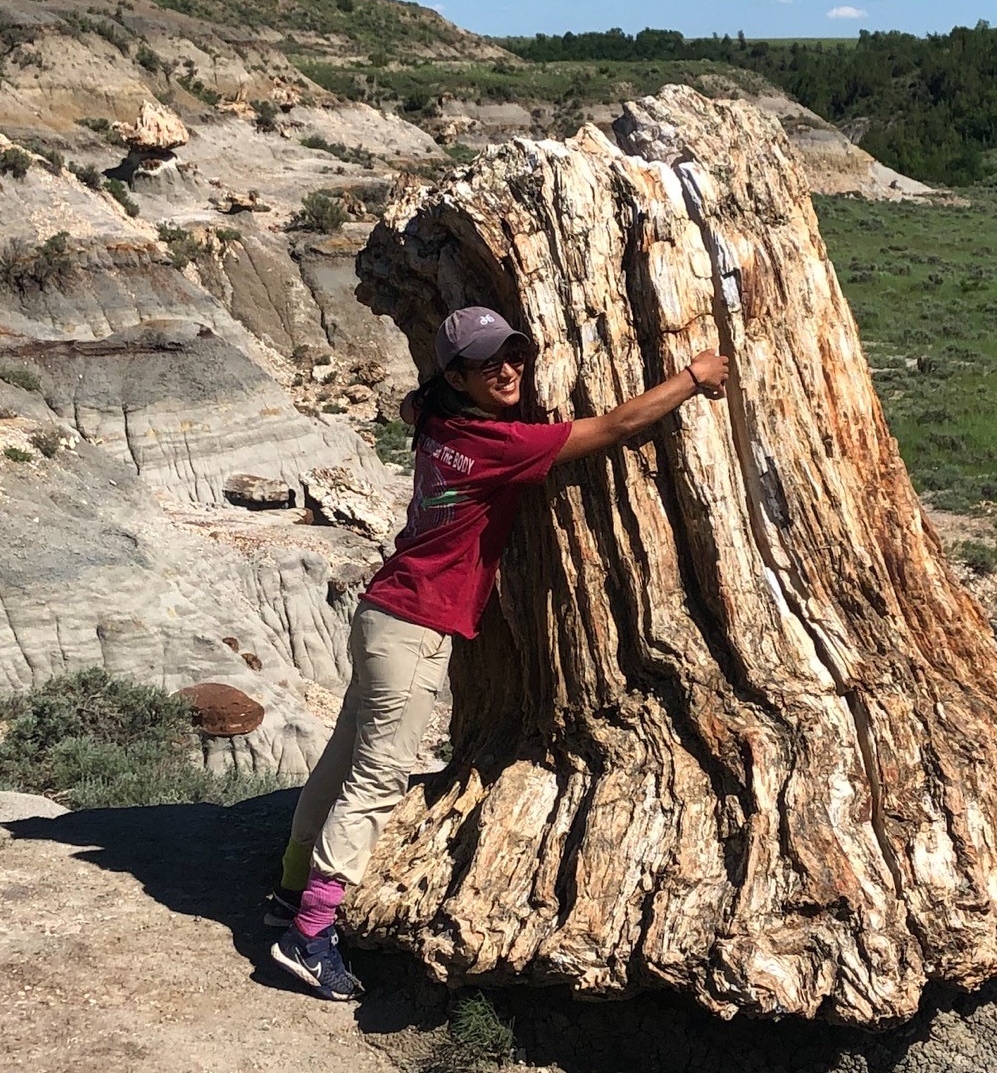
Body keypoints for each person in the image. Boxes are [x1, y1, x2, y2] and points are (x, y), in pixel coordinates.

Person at [267, 304, 730, 1000]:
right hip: (416, 625)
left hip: (381, 613)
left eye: (514, 355)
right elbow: (615, 427)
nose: (509, 370)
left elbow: (405, 401)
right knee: (374, 778)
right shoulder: (495, 444)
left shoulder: (437, 417)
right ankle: (309, 933)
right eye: (489, 363)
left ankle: (288, 892)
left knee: (342, 762)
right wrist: (694, 376)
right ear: (457, 374)